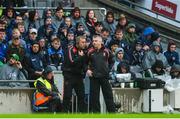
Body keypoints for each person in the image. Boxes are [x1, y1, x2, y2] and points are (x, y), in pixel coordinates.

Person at [87, 35, 116, 113]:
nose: (94, 42)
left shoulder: (106, 51)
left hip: (104, 77)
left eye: (96, 41)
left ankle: (112, 115)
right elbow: (85, 62)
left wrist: (108, 70)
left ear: (101, 42)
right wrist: (87, 70)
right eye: (93, 41)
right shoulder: (90, 51)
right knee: (94, 98)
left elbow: (112, 60)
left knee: (108, 96)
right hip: (94, 77)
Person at [62, 35, 87, 112]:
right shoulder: (70, 50)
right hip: (69, 76)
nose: (84, 44)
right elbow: (71, 62)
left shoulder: (84, 51)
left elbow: (85, 64)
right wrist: (81, 57)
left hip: (79, 76)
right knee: (67, 96)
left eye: (85, 42)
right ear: (77, 43)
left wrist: (85, 71)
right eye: (82, 42)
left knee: (82, 96)